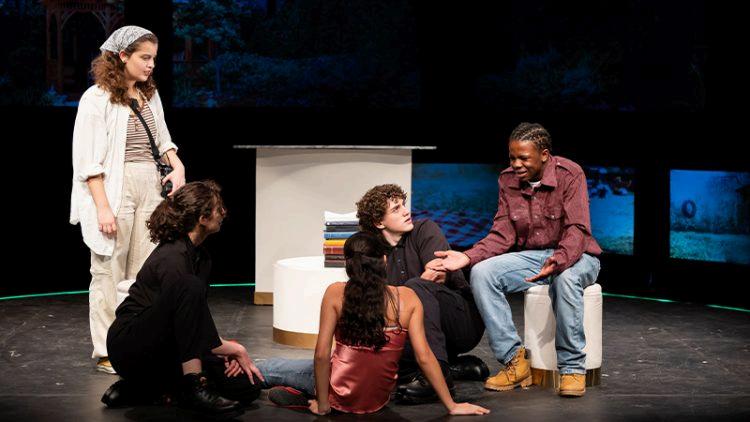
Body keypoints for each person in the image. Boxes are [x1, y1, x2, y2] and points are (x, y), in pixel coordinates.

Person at [435, 122, 602, 397]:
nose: (516, 164)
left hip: (577, 255)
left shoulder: (570, 174)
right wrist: (467, 256)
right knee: (482, 272)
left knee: (565, 278)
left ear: (544, 155)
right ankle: (514, 360)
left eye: (523, 158)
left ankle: (572, 367)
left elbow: (578, 229)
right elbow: (502, 233)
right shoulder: (507, 179)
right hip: (534, 257)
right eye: (512, 157)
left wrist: (559, 260)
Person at [256, 232, 489, 416]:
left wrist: (323, 404)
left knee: (269, 368)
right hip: (378, 398)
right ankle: (306, 395)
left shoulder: (335, 293)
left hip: (340, 391)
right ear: (384, 261)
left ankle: (303, 394)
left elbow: (321, 354)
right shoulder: (408, 298)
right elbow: (425, 357)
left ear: (348, 264)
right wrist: (452, 406)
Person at [70, 25, 186, 374]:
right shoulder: (96, 98)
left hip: (150, 184)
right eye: (144, 57)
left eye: (154, 58)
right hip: (113, 187)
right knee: (108, 271)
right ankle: (107, 350)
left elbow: (163, 140)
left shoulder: (150, 95)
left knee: (144, 271)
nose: (151, 65)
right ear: (123, 56)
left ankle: (137, 345)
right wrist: (103, 207)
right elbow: (88, 162)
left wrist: (178, 166)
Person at [103, 181, 263, 418]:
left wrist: (221, 350)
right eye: (218, 208)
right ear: (202, 218)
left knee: (246, 386)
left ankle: (145, 389)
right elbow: (183, 320)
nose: (224, 213)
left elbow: (192, 321)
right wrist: (234, 348)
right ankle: (191, 385)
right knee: (189, 285)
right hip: (132, 345)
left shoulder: (201, 258)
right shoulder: (172, 257)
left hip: (167, 346)